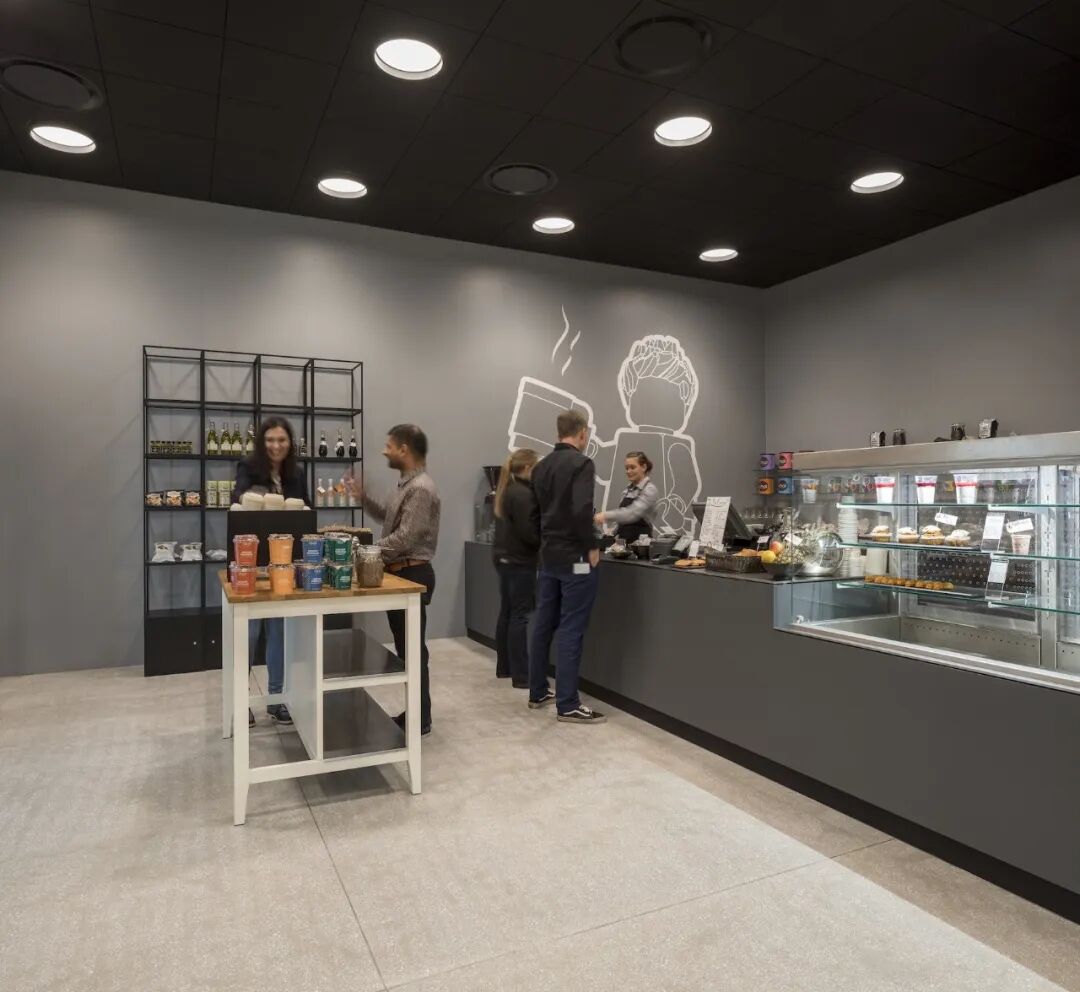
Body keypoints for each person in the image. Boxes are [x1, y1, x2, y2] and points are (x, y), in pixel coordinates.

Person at [347, 424, 439, 735]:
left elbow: (405, 538)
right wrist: (362, 498)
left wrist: (363, 551)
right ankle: (417, 712)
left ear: (404, 449)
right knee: (407, 649)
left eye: (389, 446)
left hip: (412, 575)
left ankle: (421, 718)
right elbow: (388, 517)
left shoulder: (421, 488)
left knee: (412, 650)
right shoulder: (406, 486)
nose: (384, 451)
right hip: (401, 573)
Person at [528, 410, 606, 724]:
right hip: (576, 560)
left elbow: (534, 516)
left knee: (543, 623)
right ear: (582, 432)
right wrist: (592, 545)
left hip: (549, 557)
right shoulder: (582, 464)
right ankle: (568, 703)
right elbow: (581, 509)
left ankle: (537, 691)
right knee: (572, 628)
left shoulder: (541, 467)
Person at [232, 416, 310, 727]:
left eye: (281, 440)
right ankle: (241, 702)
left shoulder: (297, 474)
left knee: (280, 631)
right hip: (251, 563)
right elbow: (237, 500)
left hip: (284, 564)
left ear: (290, 443)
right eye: (269, 440)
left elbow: (306, 511)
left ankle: (277, 700)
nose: (275, 446)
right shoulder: (248, 468)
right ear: (261, 442)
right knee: (249, 632)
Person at [492, 448, 540, 688]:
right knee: (519, 616)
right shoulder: (523, 495)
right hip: (520, 561)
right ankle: (522, 675)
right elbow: (529, 533)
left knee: (507, 613)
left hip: (505, 559)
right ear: (528, 467)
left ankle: (505, 667)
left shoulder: (508, 490)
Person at [593, 451, 659, 543]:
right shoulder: (627, 491)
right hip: (623, 545)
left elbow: (631, 514)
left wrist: (605, 515)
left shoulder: (650, 490)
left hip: (641, 546)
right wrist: (611, 533)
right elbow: (621, 520)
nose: (628, 471)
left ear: (644, 467)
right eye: (627, 468)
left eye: (632, 467)